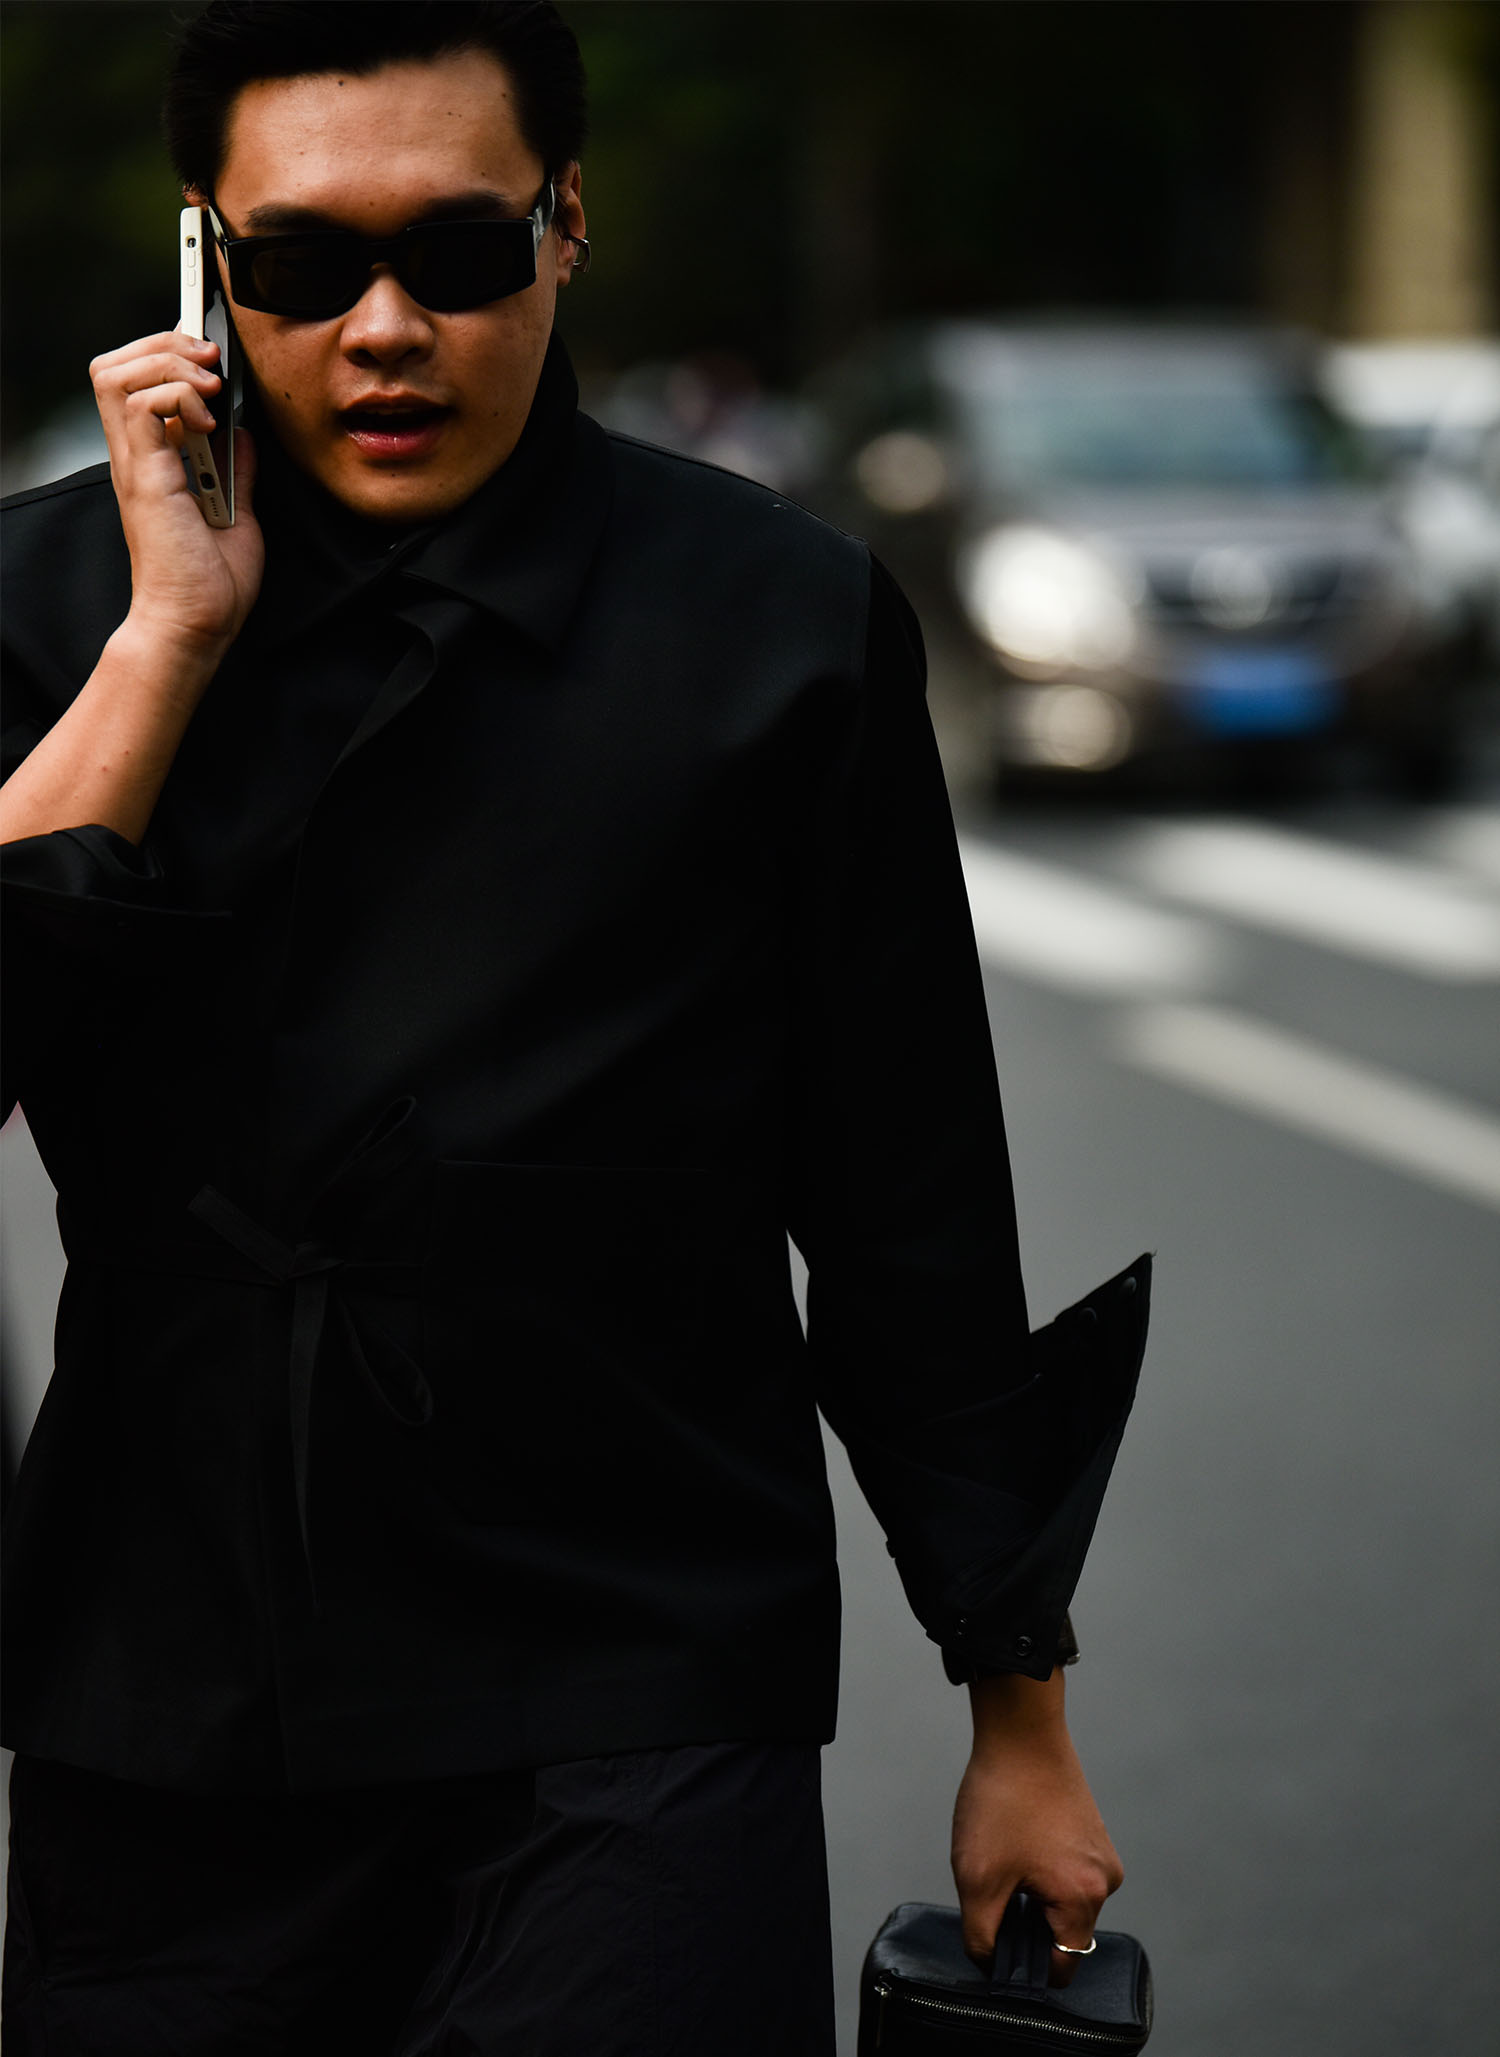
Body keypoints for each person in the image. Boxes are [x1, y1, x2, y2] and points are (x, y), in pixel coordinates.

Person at [0, 5, 1141, 2050]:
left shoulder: (779, 623)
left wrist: (1021, 1716)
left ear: (566, 225)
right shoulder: (53, 606)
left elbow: (909, 1203)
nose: (383, 330)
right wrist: (165, 642)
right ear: (202, 259)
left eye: (457, 251)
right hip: (166, 1700)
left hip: (636, 1693)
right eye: (299, 265)